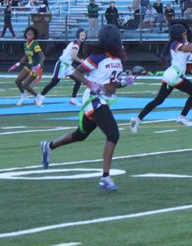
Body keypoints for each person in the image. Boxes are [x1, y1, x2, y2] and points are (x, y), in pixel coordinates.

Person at [40, 25, 134, 191]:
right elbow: (75, 73)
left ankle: (49, 145)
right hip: (94, 100)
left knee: (80, 135)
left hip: (103, 99)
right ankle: (105, 177)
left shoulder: (117, 60)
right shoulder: (98, 57)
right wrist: (91, 83)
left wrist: (125, 82)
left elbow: (112, 86)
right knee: (113, 133)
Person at [129, 22, 192, 131]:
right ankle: (182, 117)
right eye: (184, 33)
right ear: (179, 34)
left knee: (159, 100)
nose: (186, 34)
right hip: (175, 74)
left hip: (172, 74)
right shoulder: (175, 44)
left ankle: (137, 120)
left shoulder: (182, 43)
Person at [37, 29, 87, 106]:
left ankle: (73, 100)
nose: (83, 36)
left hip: (67, 65)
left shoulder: (75, 42)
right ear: (78, 35)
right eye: (81, 35)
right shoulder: (76, 43)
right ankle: (40, 97)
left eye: (84, 35)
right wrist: (81, 61)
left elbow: (65, 51)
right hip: (62, 65)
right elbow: (73, 56)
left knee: (78, 80)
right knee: (54, 82)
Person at [9, 26, 45, 106]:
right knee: (17, 81)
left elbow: (42, 56)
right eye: (27, 33)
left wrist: (38, 66)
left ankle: (38, 97)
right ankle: (23, 96)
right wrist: (17, 64)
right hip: (29, 65)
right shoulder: (26, 44)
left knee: (25, 84)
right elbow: (26, 56)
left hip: (35, 67)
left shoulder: (35, 44)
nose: (29, 34)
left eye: (31, 33)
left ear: (34, 35)